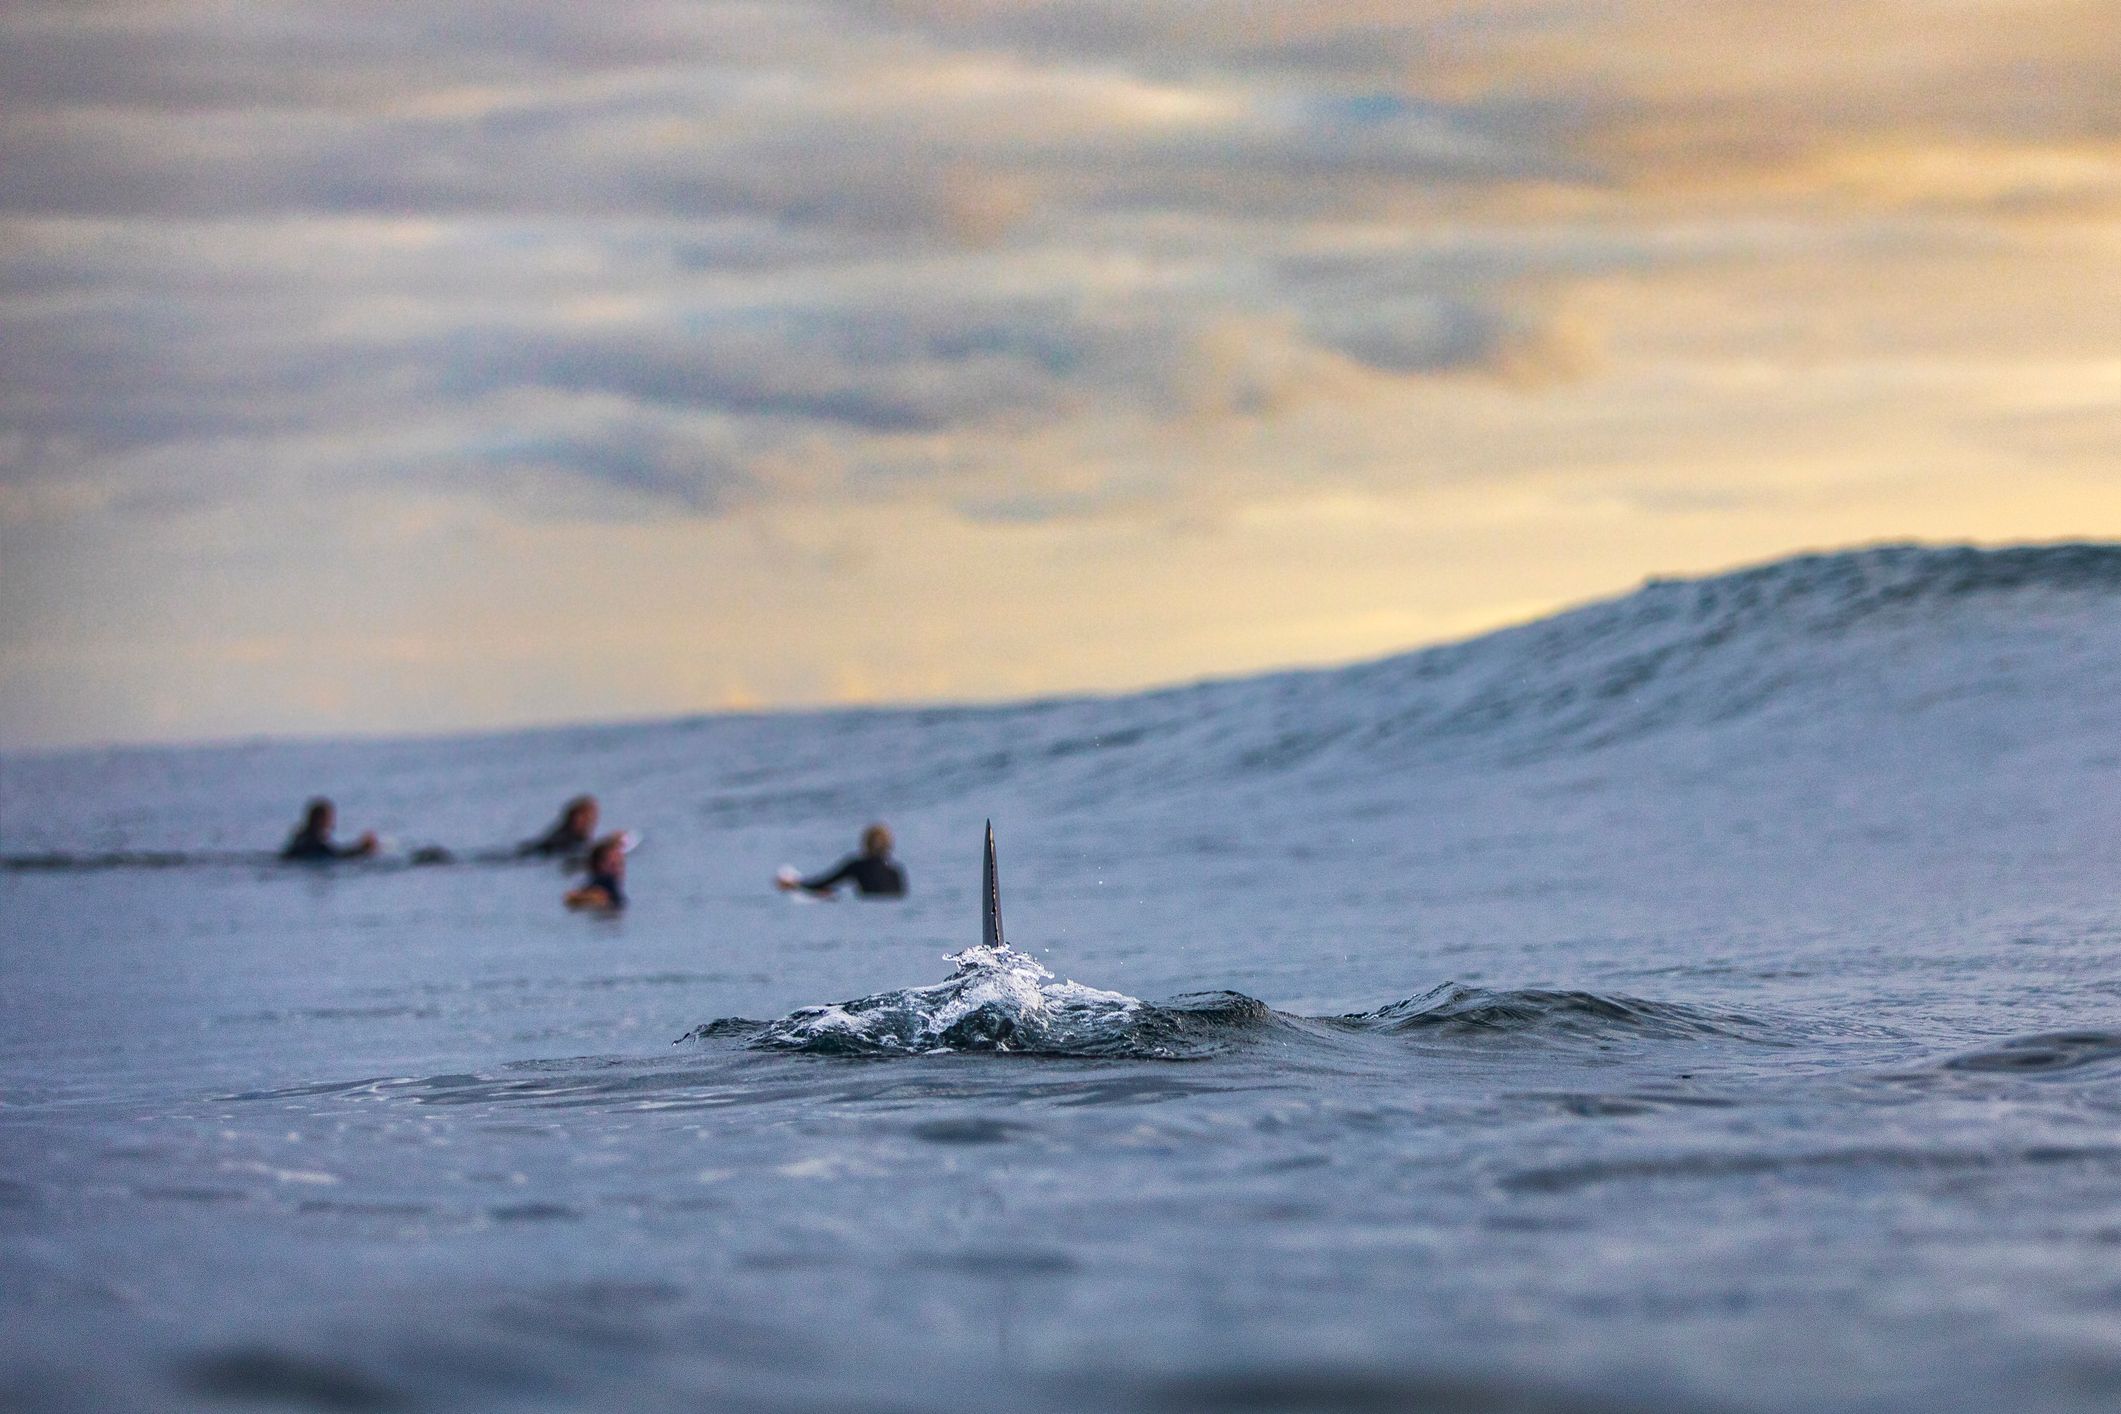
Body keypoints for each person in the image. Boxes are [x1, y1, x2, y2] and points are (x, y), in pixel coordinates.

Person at [779, 823, 907, 898]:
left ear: (865, 844)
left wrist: (795, 884)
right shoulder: (896, 872)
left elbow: (822, 882)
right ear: (889, 846)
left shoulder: (857, 866)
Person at [281, 798, 379, 862]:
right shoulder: (313, 841)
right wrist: (361, 849)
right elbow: (334, 855)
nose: (331, 822)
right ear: (319, 819)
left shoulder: (302, 836)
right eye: (328, 818)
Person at [520, 795, 599, 859]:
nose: (587, 821)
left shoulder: (579, 837)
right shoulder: (565, 836)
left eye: (590, 818)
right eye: (584, 817)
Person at [565, 834, 627, 912]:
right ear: (599, 865)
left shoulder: (591, 882)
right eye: (613, 865)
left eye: (621, 864)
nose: (619, 870)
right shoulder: (606, 884)